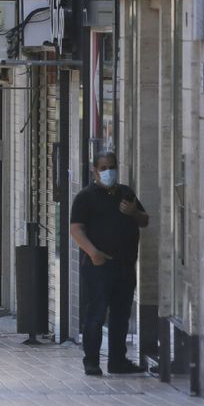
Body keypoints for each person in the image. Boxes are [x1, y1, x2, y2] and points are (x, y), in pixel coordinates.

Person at [69, 150, 149, 377]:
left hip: (125, 265)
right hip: (98, 266)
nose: (108, 172)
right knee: (96, 314)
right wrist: (93, 253)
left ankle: (118, 361)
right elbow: (75, 229)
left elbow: (145, 221)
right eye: (103, 168)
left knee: (121, 315)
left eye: (111, 167)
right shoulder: (85, 197)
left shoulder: (126, 194)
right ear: (95, 171)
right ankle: (92, 361)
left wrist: (134, 212)